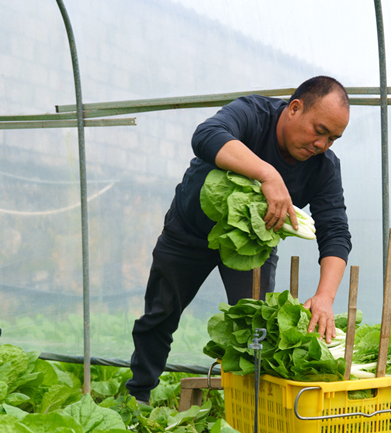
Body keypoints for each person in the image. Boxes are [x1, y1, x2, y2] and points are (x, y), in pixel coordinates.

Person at [126, 76, 352, 404]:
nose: (322, 144)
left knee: (255, 328)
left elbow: (335, 232)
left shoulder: (324, 168)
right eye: (319, 130)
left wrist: (325, 297)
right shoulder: (253, 114)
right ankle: (138, 397)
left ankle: (248, 408)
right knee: (160, 313)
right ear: (294, 108)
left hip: (251, 247)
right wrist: (268, 174)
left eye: (333, 138)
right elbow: (206, 135)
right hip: (190, 232)